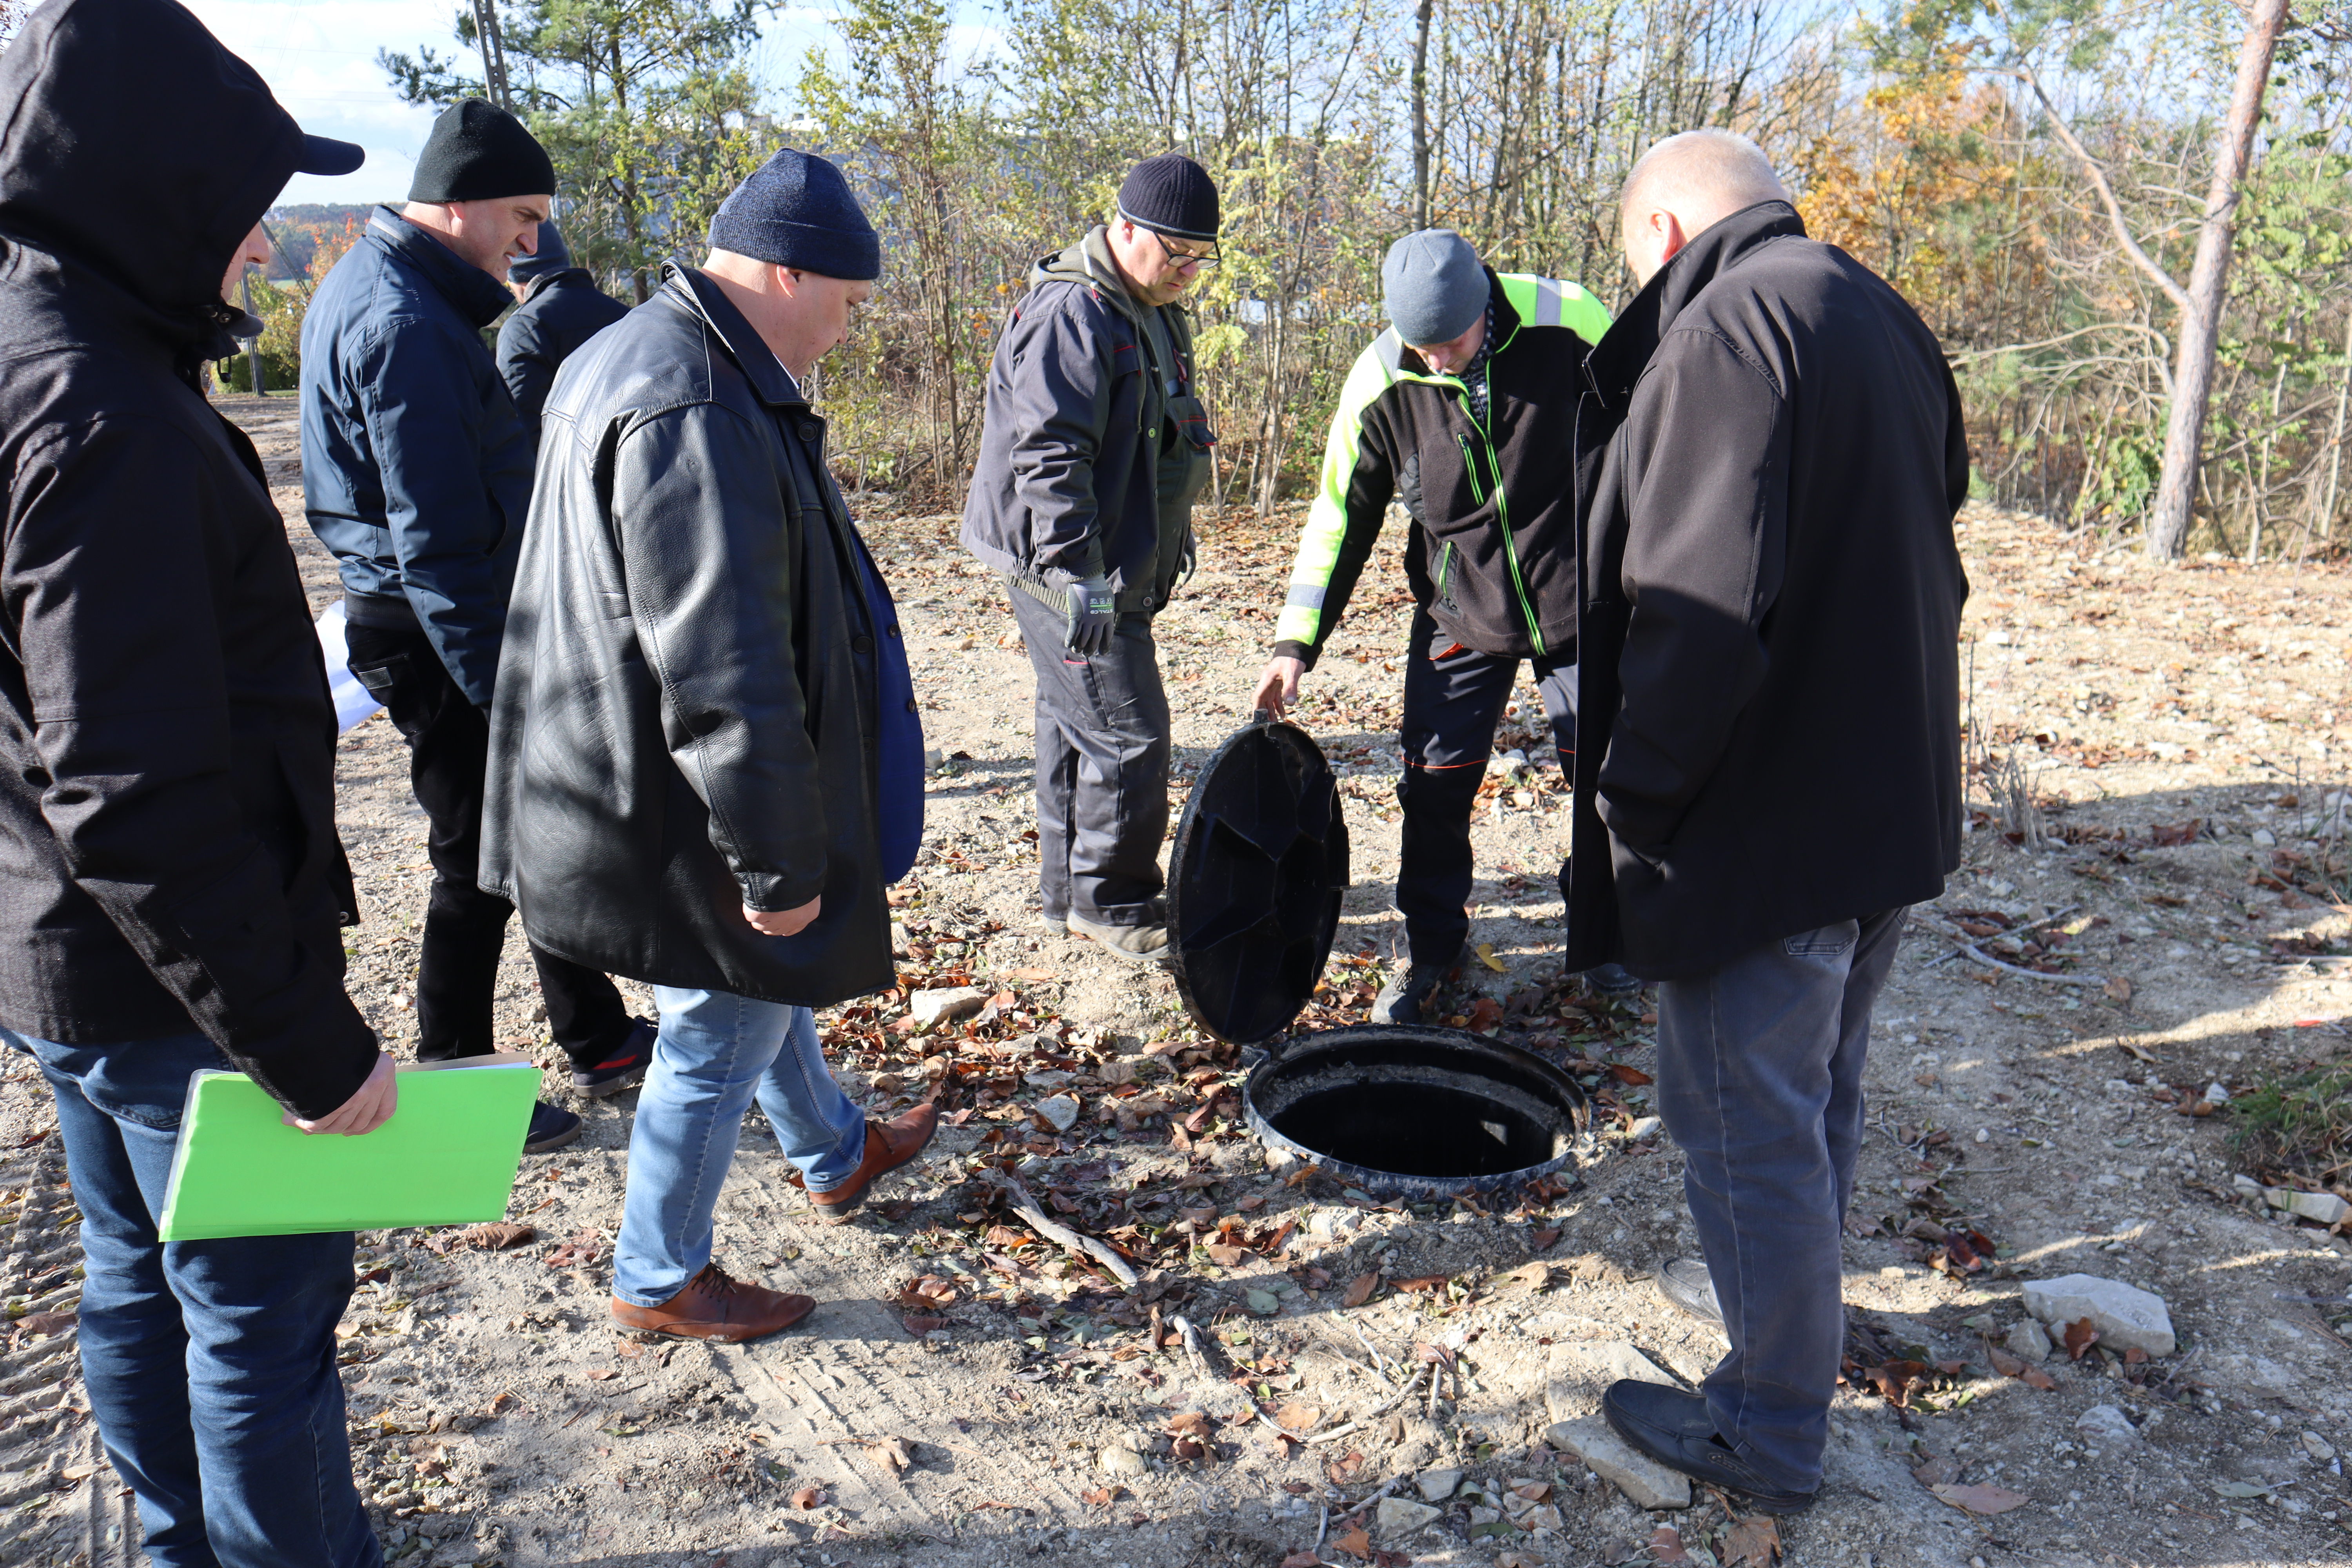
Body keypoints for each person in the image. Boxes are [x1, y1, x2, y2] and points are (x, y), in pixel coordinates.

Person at [0, 1, 394, 1560]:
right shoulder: (105, 413)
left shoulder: (41, 347)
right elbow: (135, 786)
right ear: (159, 191)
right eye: (248, 205)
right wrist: (307, 1044)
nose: (263, 244)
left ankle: (178, 1545)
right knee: (258, 1313)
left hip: (60, 951)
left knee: (132, 1270)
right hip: (174, 987)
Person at [1565, 130, 1969, 1512]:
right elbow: (1937, 535)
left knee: (1743, 1115)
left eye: (1634, 271)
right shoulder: (1878, 311)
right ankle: (1798, 1345)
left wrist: (1634, 796)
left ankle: (1772, 1421)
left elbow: (1700, 610)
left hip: (1768, 822)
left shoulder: (1731, 331)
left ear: (1667, 235)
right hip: (1883, 802)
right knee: (1812, 1103)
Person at [480, 148, 934, 1343]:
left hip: (630, 765)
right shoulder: (695, 402)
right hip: (672, 792)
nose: (846, 323)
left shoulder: (649, 356)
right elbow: (721, 665)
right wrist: (780, 862)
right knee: (720, 1014)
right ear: (785, 271)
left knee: (748, 990)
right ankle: (658, 1269)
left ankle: (834, 1150)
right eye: (845, 296)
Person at [301, 101, 654, 1152]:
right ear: (457, 206)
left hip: (435, 617)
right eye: (522, 215)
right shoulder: (405, 326)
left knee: (526, 836)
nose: (532, 242)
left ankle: (594, 1036)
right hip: (435, 628)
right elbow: (439, 542)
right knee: (478, 858)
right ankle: (453, 1077)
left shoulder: (396, 289)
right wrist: (501, 689)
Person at [1249, 230, 1633, 1020]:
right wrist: (1296, 642)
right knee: (1433, 782)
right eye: (1419, 348)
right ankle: (1431, 948)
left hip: (1578, 594)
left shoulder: (1571, 318)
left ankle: (1604, 931)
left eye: (1449, 345)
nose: (1436, 362)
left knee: (1604, 775)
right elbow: (1337, 517)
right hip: (1460, 606)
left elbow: (1652, 429)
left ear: (1483, 309)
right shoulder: (1381, 378)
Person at [961, 153, 1222, 962]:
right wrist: (1079, 579)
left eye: (1201, 258)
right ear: (1127, 228)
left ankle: (1069, 893)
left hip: (1120, 557)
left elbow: (1161, 433)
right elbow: (1047, 458)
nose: (1187, 271)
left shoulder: (1152, 306)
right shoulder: (1072, 313)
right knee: (1128, 733)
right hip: (1067, 567)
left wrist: (1169, 541)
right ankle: (1115, 902)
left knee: (1073, 721)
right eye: (1175, 252)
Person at [495, 220, 628, 446]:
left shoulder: (526, 327)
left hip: (564, 477)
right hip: (629, 469)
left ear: (515, 274)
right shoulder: (626, 316)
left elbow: (519, 428)